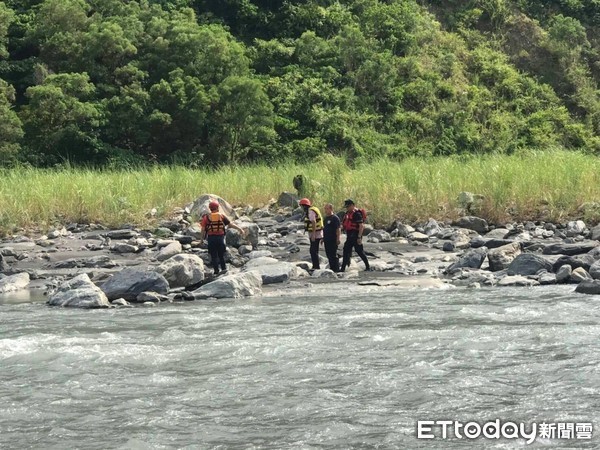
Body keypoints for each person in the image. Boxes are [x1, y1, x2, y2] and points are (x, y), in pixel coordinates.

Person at [200, 200, 245, 276]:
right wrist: (239, 229)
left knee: (213, 256)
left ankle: (216, 271)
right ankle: (224, 270)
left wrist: (201, 239)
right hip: (220, 238)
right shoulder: (221, 216)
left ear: (210, 208)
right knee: (221, 255)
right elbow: (230, 224)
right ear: (217, 208)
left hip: (211, 239)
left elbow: (203, 229)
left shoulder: (206, 217)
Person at [341, 199, 370, 272]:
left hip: (356, 234)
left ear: (352, 205)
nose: (347, 208)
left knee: (359, 251)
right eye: (346, 207)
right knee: (346, 250)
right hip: (349, 234)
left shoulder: (357, 214)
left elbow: (361, 226)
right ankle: (343, 268)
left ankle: (368, 267)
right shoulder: (347, 213)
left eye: (348, 206)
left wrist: (359, 237)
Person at [299, 197, 323, 270]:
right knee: (314, 250)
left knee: (313, 250)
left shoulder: (311, 211)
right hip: (317, 233)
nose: (301, 208)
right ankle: (315, 265)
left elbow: (313, 222)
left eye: (302, 206)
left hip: (315, 234)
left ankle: (316, 266)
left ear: (304, 206)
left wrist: (313, 234)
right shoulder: (313, 209)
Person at [321, 203, 341, 272]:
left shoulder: (335, 218)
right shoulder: (325, 218)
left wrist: (338, 238)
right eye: (325, 209)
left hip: (333, 239)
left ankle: (336, 268)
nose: (325, 210)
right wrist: (323, 238)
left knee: (333, 254)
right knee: (328, 254)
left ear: (331, 209)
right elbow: (324, 229)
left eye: (327, 209)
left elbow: (338, 229)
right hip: (327, 239)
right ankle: (332, 267)